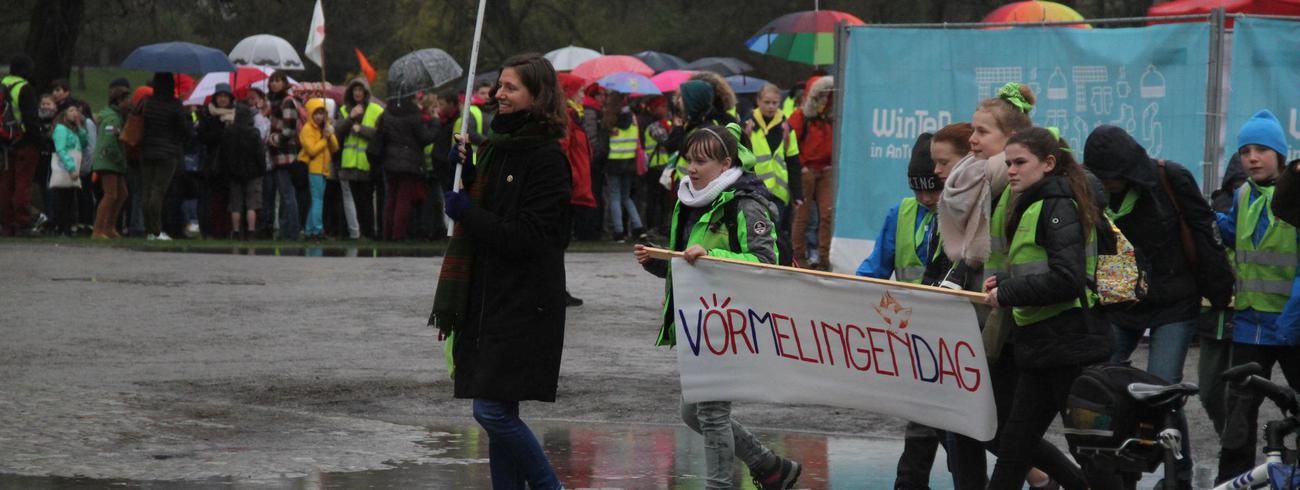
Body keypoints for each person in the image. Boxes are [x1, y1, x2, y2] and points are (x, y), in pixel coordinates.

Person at [632, 125, 800, 490]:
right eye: (689, 159)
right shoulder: (690, 200)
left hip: (734, 322)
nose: (691, 168)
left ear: (726, 163)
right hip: (702, 325)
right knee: (692, 411)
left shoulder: (745, 202)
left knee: (709, 413)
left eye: (702, 161)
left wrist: (712, 255)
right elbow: (687, 264)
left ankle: (721, 486)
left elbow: (764, 261)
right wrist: (657, 260)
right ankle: (771, 467)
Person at [431, 53, 571, 490]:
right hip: (490, 297)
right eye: (499, 87)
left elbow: (526, 236)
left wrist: (469, 212)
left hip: (526, 302)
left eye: (511, 87)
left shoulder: (547, 159)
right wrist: (464, 171)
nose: (499, 95)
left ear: (538, 95)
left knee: (489, 411)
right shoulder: (496, 148)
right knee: (499, 413)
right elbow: (484, 204)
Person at [1083, 124, 1234, 488]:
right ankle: (1120, 473)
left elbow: (1204, 233)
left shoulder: (1170, 178)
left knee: (1163, 392)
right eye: (1102, 178)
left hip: (1173, 304)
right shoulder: (1094, 194)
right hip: (1121, 302)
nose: (1110, 184)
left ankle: (1177, 475)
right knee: (1100, 387)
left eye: (1114, 178)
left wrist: (1219, 295)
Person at [984, 127, 1113, 490]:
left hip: (1070, 348)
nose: (1011, 170)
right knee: (1014, 449)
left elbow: (1066, 280)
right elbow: (1038, 270)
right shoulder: (1034, 203)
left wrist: (1009, 292)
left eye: (1020, 162)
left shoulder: (1056, 205)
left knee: (1089, 452)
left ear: (1049, 163)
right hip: (1042, 348)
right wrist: (1005, 284)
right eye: (1008, 163)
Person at [1214, 110, 1300, 484]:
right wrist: (1211, 220)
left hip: (1290, 324)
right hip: (1250, 323)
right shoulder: (1242, 194)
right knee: (1239, 412)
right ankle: (1232, 480)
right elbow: (1234, 237)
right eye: (1245, 150)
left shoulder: (1295, 196)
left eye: (1262, 149)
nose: (1252, 157)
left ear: (1280, 154)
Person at [743, 83, 802, 266]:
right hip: (753, 189)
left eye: (775, 103)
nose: (770, 106)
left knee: (778, 234)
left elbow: (793, 162)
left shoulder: (786, 128)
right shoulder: (748, 125)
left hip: (778, 193)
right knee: (757, 232)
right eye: (767, 102)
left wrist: (798, 194)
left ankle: (781, 265)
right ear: (758, 101)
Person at [368, 91, 434, 242]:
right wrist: (435, 123)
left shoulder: (387, 113)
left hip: (389, 161)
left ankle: (387, 233)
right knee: (403, 199)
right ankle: (399, 234)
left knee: (390, 198)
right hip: (409, 162)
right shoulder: (413, 114)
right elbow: (425, 138)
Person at [788, 76, 835, 270]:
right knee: (803, 215)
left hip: (825, 170)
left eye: (828, 95)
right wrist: (802, 166)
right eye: (821, 94)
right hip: (806, 171)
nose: (825, 99)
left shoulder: (830, 117)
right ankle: (799, 256)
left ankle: (824, 257)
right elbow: (790, 145)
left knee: (827, 214)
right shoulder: (800, 117)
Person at [139, 73, 190, 241]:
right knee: (158, 191)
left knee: (146, 191)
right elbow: (184, 130)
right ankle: (156, 230)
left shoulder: (147, 102)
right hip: (168, 152)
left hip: (147, 150)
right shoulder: (175, 105)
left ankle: (148, 228)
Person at [335, 77, 383, 240]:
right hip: (348, 163)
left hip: (367, 163)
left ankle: (368, 232)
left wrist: (360, 129)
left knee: (366, 200)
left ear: (366, 92)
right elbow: (337, 132)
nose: (357, 93)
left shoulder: (376, 110)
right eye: (355, 90)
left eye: (360, 90)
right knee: (351, 201)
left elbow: (381, 134)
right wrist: (350, 118)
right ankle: (353, 233)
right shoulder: (343, 109)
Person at [1, 55, 41, 236]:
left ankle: (7, 224)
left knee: (6, 185)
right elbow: (30, 119)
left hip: (4, 142)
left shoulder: (3, 85)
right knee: (22, 184)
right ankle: (23, 223)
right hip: (23, 141)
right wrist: (40, 140)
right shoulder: (24, 88)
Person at [196, 83, 238, 238]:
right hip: (212, 163)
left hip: (230, 163)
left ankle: (226, 229)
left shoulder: (236, 115)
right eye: (220, 96)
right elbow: (203, 137)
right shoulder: (207, 114)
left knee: (228, 198)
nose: (222, 100)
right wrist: (221, 130)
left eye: (225, 96)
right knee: (212, 199)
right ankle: (211, 229)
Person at [91, 86, 132, 240]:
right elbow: (109, 143)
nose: (129, 102)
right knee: (110, 195)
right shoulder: (112, 118)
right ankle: (98, 229)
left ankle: (109, 227)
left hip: (113, 161)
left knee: (122, 194)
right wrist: (120, 159)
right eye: (126, 99)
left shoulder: (117, 116)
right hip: (108, 160)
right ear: (119, 100)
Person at [603, 91, 644, 242]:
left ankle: (619, 232)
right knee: (626, 197)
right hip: (630, 162)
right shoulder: (632, 118)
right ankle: (639, 228)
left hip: (613, 163)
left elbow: (604, 145)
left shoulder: (610, 120)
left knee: (614, 197)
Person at [265, 71, 302, 240]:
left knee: (288, 195)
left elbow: (289, 130)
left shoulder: (287, 101)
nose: (274, 83)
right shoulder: (273, 102)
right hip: (276, 156)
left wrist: (274, 138)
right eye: (272, 80)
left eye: (278, 80)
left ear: (284, 83)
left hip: (286, 156)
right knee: (283, 195)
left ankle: (291, 232)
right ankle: (284, 230)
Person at [220, 105, 266, 241]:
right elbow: (260, 154)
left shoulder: (229, 132)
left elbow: (224, 153)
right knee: (252, 204)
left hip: (234, 173)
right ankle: (251, 231)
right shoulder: (254, 133)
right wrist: (261, 170)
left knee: (236, 204)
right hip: (253, 173)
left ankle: (235, 231)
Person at [297, 98, 338, 240]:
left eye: (322, 113)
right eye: (316, 113)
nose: (319, 116)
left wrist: (330, 134)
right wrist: (324, 139)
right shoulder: (307, 129)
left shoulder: (323, 128)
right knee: (317, 201)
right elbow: (312, 150)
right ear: (310, 114)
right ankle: (317, 230)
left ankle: (309, 230)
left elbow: (335, 147)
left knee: (316, 200)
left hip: (323, 169)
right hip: (313, 169)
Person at [48, 105, 89, 236]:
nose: (75, 112)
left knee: (70, 199)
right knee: (62, 199)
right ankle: (61, 228)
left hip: (73, 169)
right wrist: (71, 167)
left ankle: (66, 228)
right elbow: (60, 149)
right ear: (64, 115)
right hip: (65, 168)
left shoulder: (75, 131)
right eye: (71, 110)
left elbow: (84, 143)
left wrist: (80, 127)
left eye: (77, 110)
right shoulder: (61, 129)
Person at [641, 95, 673, 238]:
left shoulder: (667, 123)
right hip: (655, 167)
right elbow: (667, 140)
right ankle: (652, 227)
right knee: (654, 200)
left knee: (664, 200)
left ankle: (663, 227)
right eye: (662, 106)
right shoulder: (654, 126)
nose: (666, 109)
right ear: (655, 108)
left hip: (666, 166)